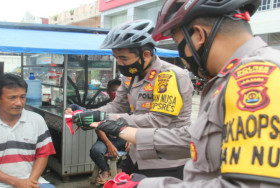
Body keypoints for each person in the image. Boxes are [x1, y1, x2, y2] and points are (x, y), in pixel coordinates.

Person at [91, 0, 280, 187]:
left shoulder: (258, 78)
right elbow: (193, 137)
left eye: (178, 42)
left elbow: (248, 184)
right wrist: (122, 130)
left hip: (165, 165)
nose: (181, 54)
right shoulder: (228, 77)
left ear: (198, 35)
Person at [66, 19, 193, 179]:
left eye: (124, 58)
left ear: (146, 55)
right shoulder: (130, 76)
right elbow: (116, 107)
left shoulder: (170, 76)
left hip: (166, 162)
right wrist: (86, 113)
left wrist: (101, 118)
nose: (119, 64)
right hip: (136, 155)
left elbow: (158, 120)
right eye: (116, 58)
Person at [0, 73, 56, 188]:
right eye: (12, 98)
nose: (19, 103)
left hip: (32, 181)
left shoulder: (36, 120)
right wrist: (16, 182)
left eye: (22, 97)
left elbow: (43, 154)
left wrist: (30, 181)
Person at [89, 78, 126, 184]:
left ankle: (119, 169)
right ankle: (106, 171)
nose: (116, 94)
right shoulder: (101, 108)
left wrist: (131, 141)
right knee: (95, 151)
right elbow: (98, 129)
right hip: (105, 140)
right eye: (114, 91)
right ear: (108, 91)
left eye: (119, 91)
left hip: (123, 139)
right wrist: (108, 144)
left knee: (135, 149)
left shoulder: (127, 107)